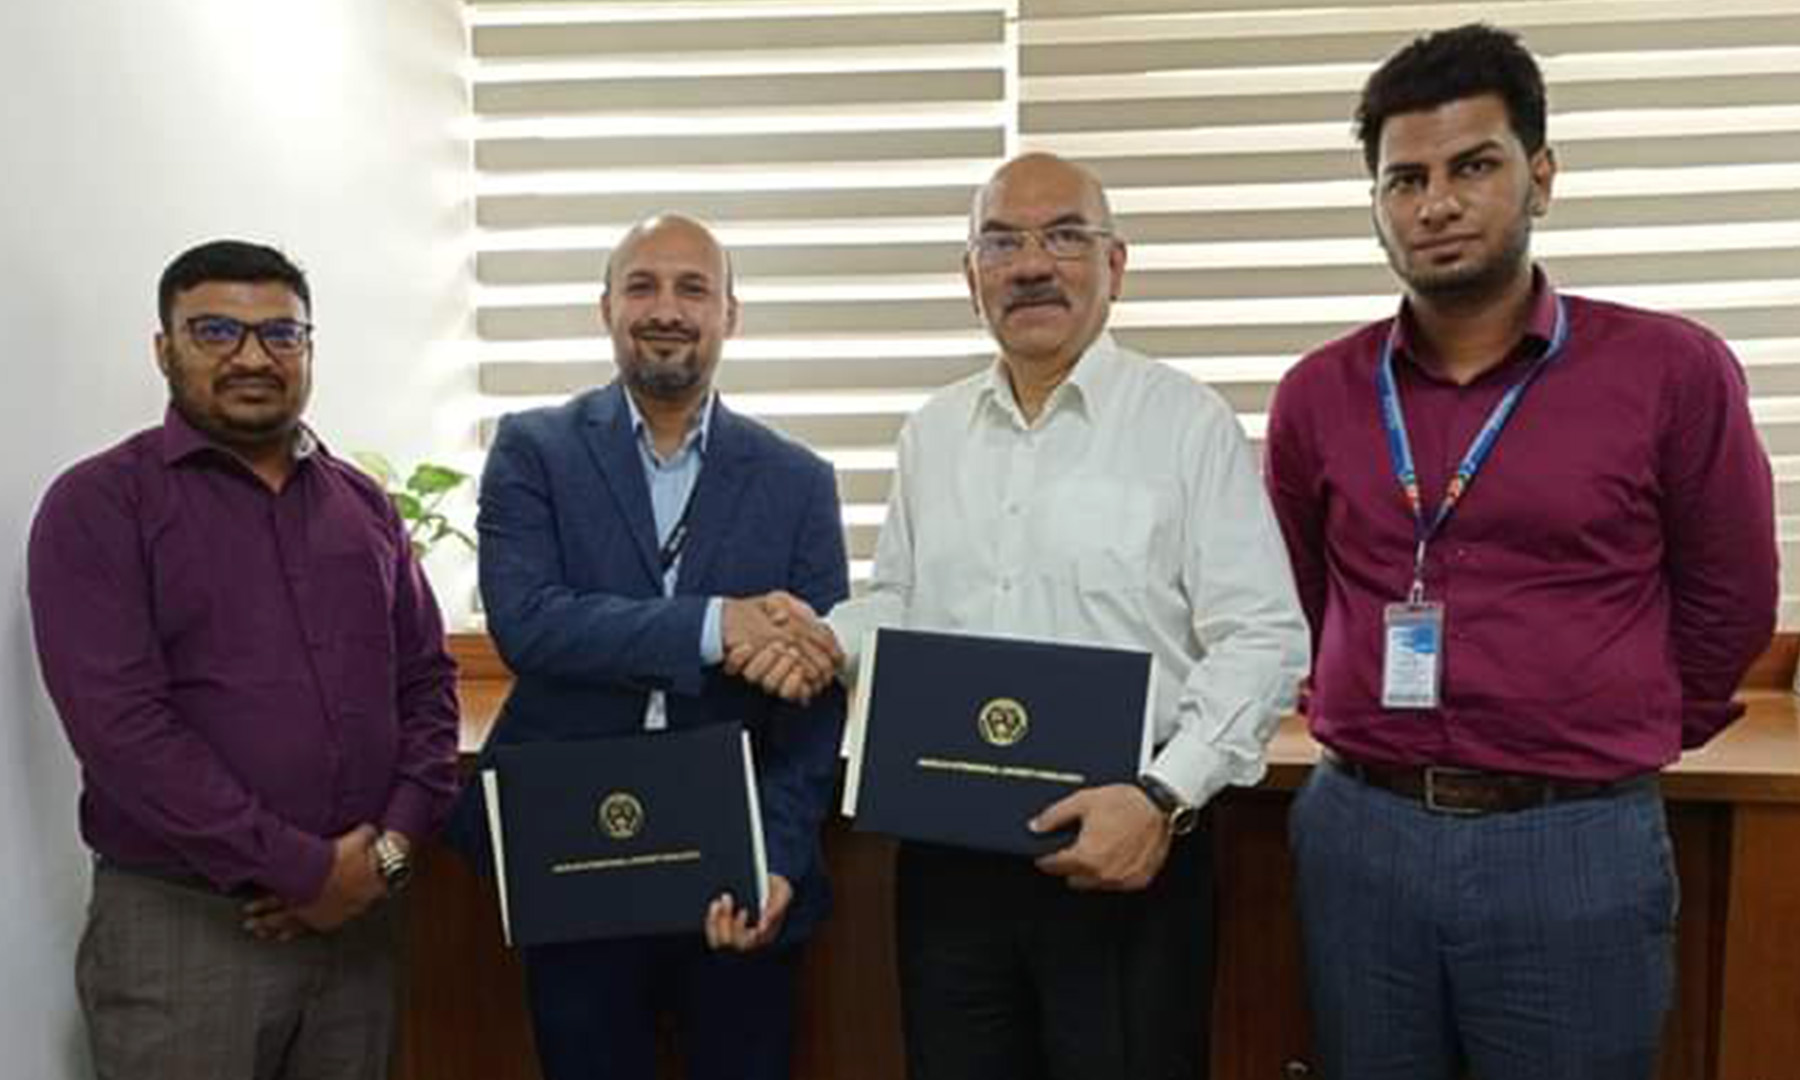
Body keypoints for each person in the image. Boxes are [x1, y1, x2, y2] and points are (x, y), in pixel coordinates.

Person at [1263, 24, 1779, 1079]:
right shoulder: (1319, 393)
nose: (1436, 203)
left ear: (1540, 177)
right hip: (1363, 830)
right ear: (1375, 203)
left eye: (1474, 166)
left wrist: (1600, 728)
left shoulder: (1668, 370)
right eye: (1404, 178)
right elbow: (1300, 593)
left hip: (1572, 838)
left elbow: (1731, 599)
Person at [739, 152, 1309, 1079]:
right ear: (971, 278)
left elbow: (1264, 636)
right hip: (950, 857)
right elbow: (904, 602)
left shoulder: (1186, 425)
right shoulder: (934, 431)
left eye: (1064, 237)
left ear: (1115, 265)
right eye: (1002, 242)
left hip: (1123, 855)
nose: (1032, 263)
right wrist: (823, 638)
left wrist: (1163, 796)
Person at [27, 239, 461, 1080]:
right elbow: (122, 731)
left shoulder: (362, 506)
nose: (253, 357)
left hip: (359, 937)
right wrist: (303, 871)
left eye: (280, 334)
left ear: (308, 348)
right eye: (217, 331)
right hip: (187, 935)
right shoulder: (99, 505)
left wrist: (384, 859)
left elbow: (428, 686)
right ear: (164, 349)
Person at [468, 213, 848, 1080]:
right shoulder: (533, 450)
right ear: (606, 307)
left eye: (693, 288)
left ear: (730, 314)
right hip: (574, 853)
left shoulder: (797, 481)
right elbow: (530, 623)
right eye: (642, 286)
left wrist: (779, 861)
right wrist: (719, 625)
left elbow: (814, 691)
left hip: (732, 867)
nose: (666, 309)